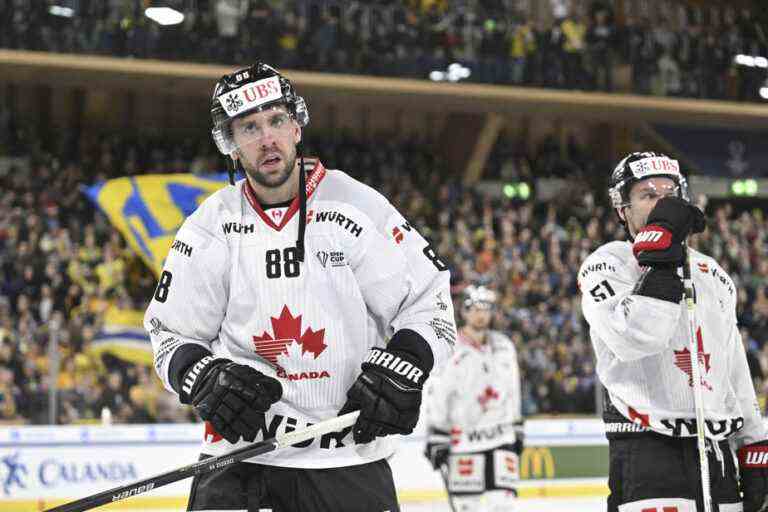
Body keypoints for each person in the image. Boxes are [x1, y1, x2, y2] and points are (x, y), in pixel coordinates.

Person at [144, 62, 457, 512]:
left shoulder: (359, 207)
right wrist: (199, 375)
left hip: (346, 460)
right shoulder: (209, 228)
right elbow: (169, 331)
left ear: (296, 127)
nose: (266, 137)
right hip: (238, 460)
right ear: (231, 146)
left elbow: (430, 302)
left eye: (276, 120)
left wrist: (406, 362)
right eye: (249, 127)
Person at [578, 151, 768, 512]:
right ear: (623, 209)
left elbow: (732, 370)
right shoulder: (607, 265)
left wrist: (753, 444)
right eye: (648, 195)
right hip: (648, 449)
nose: (663, 203)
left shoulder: (712, 274)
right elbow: (638, 338)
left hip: (717, 453)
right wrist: (660, 260)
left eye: (670, 194)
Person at [423, 285, 522, 512]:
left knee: (503, 506)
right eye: (475, 308)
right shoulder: (451, 348)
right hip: (463, 441)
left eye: (485, 308)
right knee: (468, 507)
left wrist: (517, 424)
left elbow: (513, 388)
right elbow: (438, 392)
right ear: (464, 312)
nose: (480, 314)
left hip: (501, 437)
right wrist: (437, 434)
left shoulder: (504, 346)